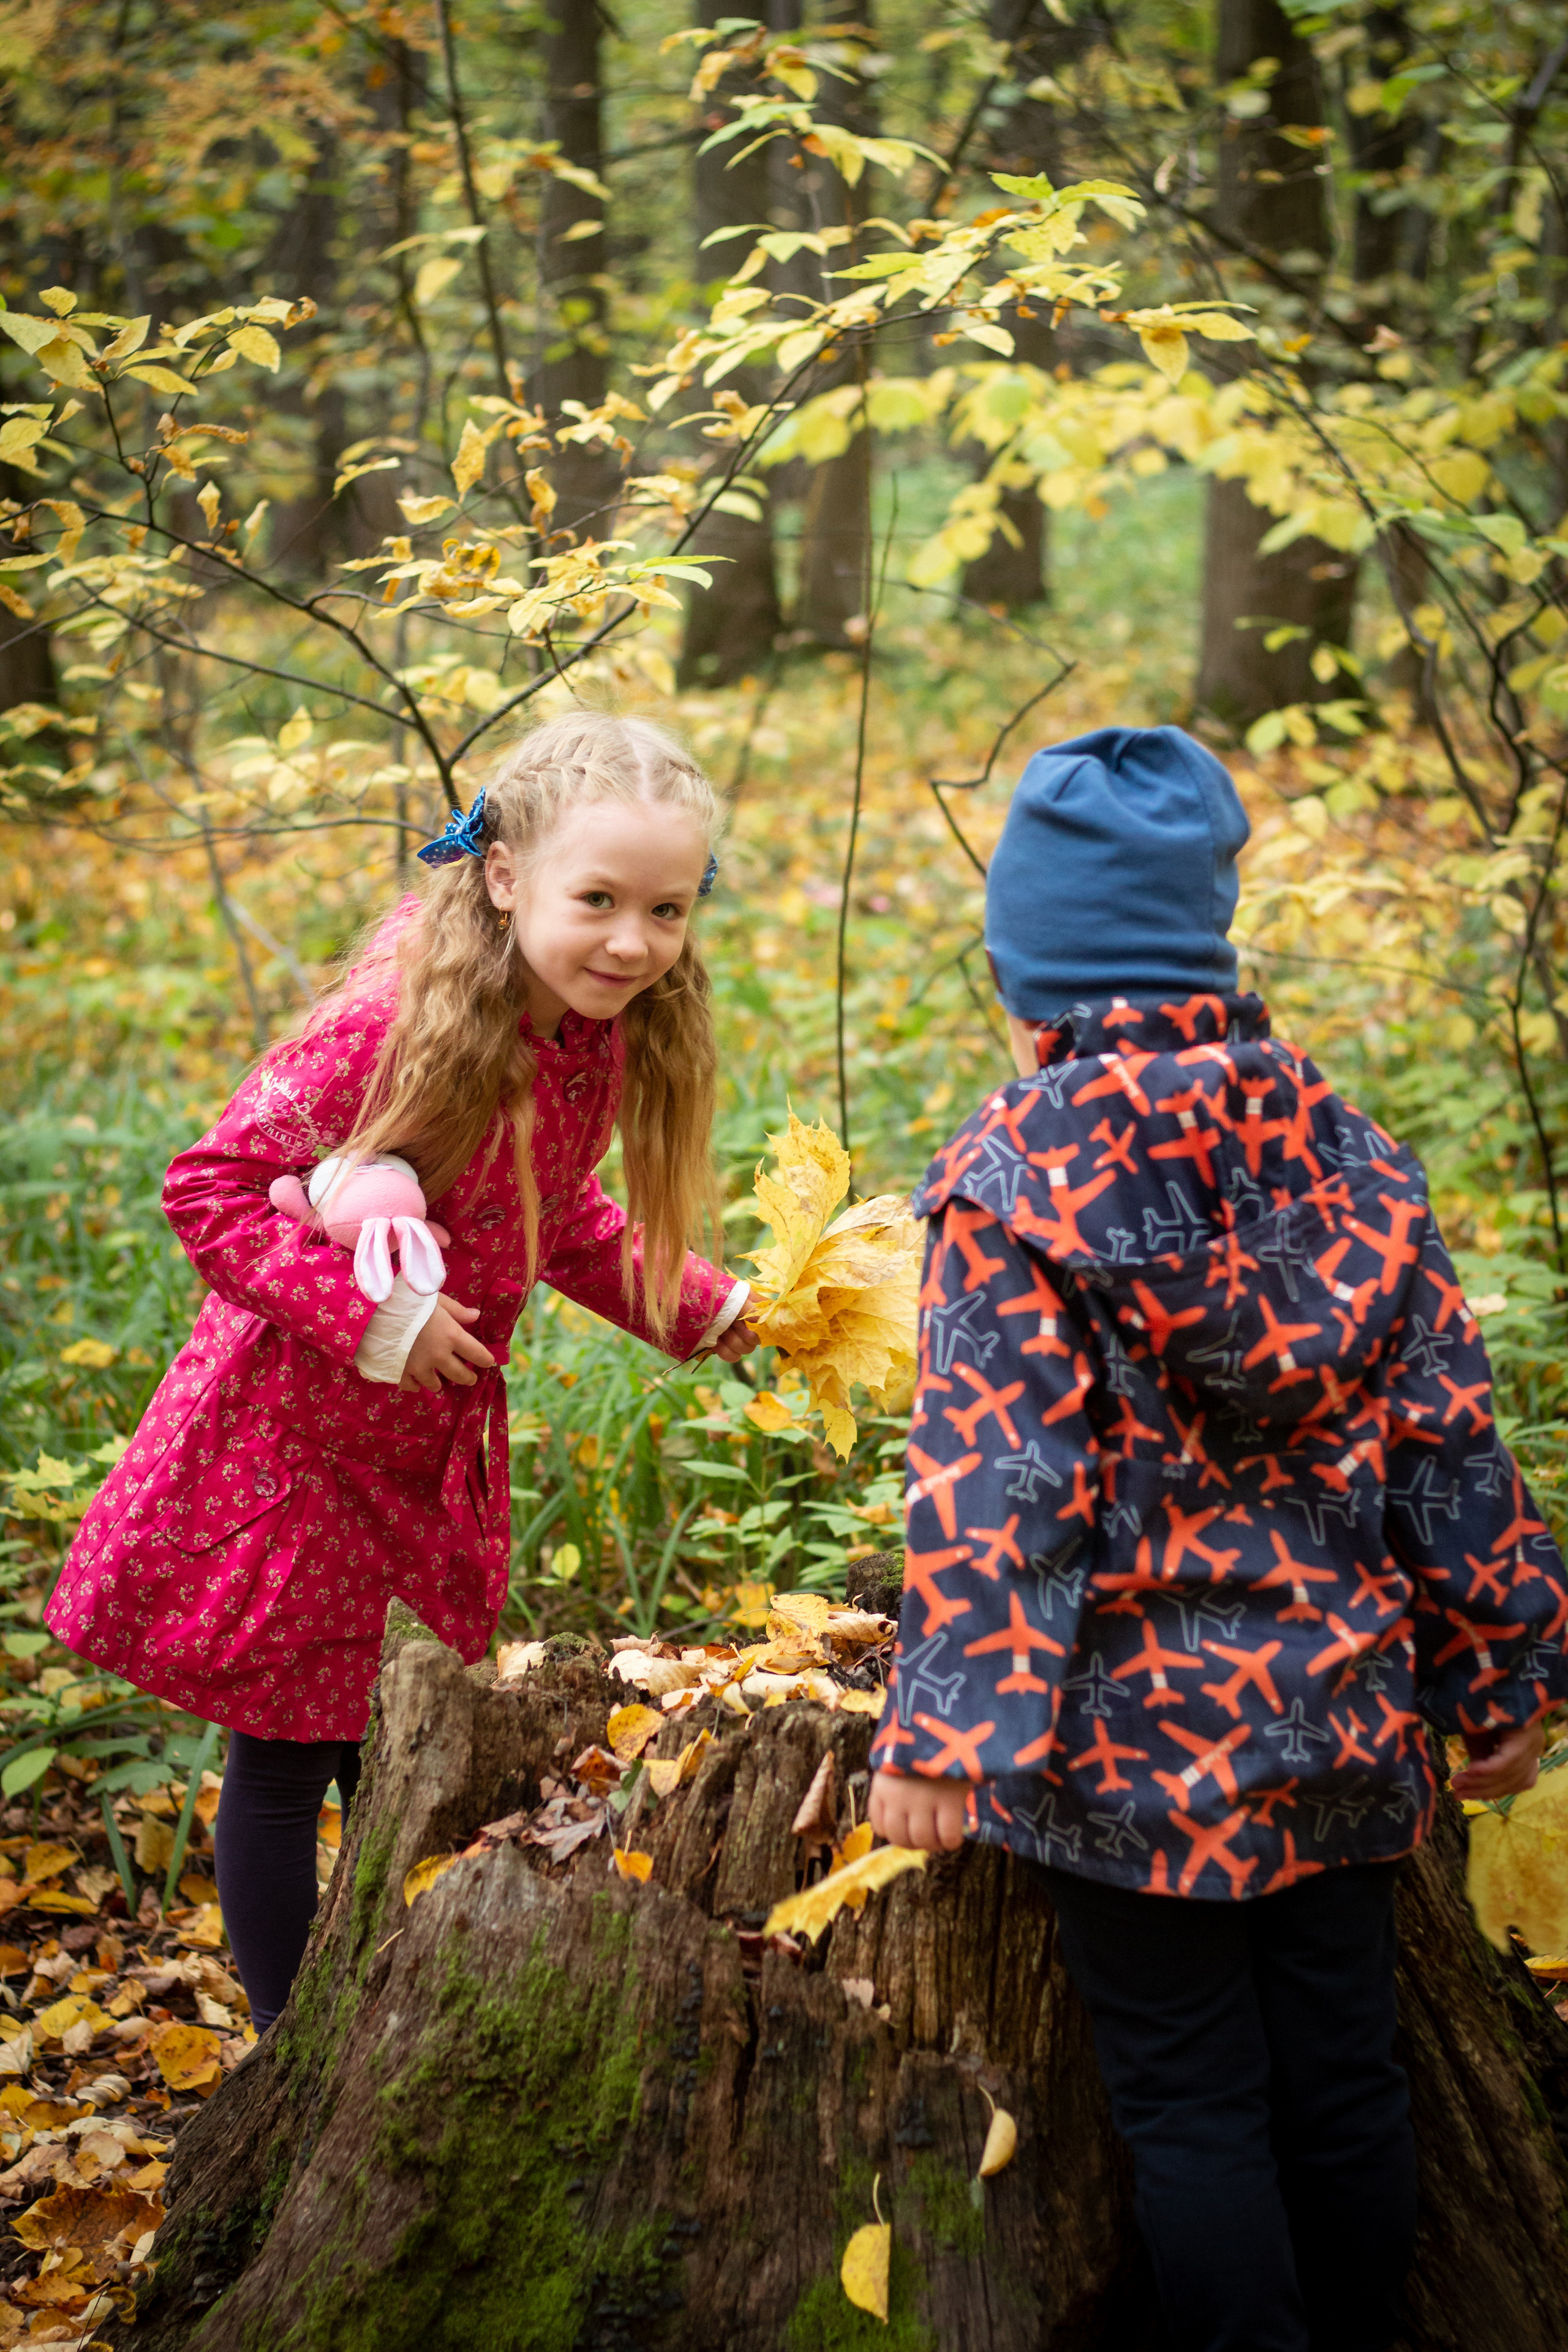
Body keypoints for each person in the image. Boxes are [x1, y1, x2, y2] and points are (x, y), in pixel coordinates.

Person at [868, 724, 1568, 2352]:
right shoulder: (1347, 1146)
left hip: (1131, 1760)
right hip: (1347, 1726)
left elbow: (1000, 1482)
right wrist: (1504, 1675)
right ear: (1205, 944)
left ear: (1023, 975)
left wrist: (945, 1730)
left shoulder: (1015, 1174)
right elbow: (1450, 1435)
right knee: (1346, 2078)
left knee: (1192, 2110)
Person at [49, 711, 756, 2032]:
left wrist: (710, 1308)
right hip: (291, 1439)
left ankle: (380, 2015)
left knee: (394, 1742)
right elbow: (207, 1189)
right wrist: (374, 1321)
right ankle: (293, 2049)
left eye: (666, 910)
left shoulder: (589, 1038)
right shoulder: (393, 1022)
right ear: (504, 877)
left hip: (416, 1452)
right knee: (284, 1753)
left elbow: (561, 1216)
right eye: (596, 900)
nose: (630, 942)